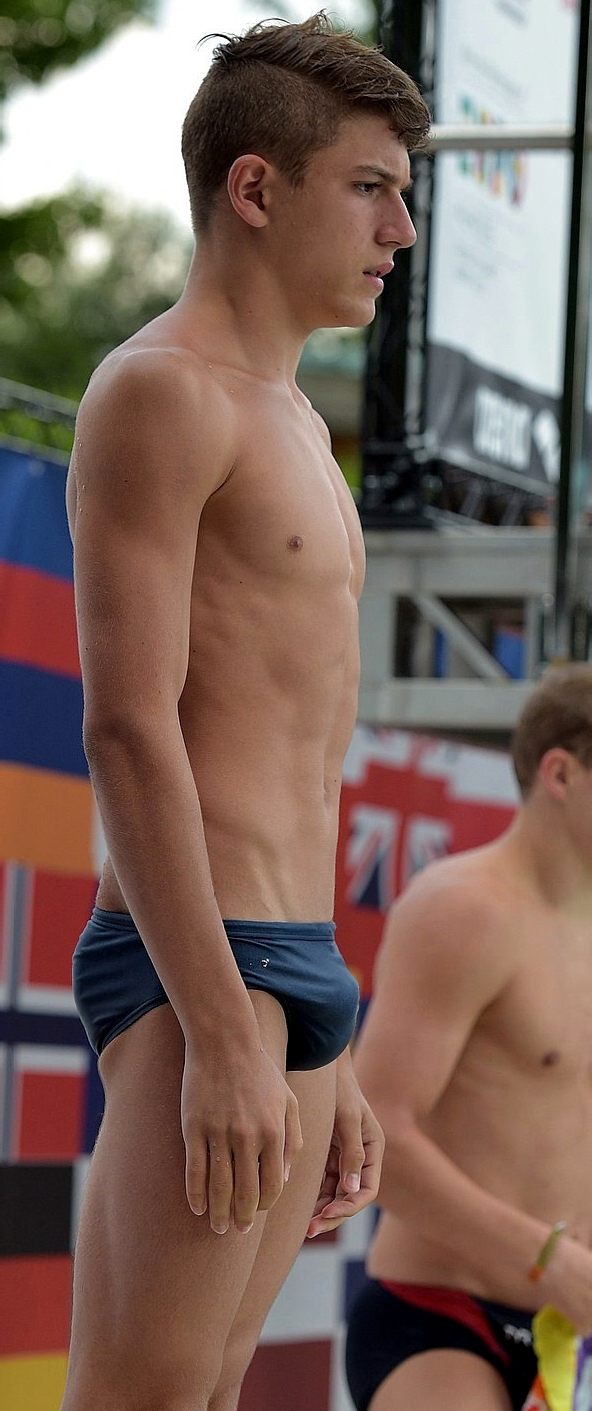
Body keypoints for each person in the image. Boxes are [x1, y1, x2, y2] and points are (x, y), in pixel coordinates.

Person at [59, 14, 431, 1411]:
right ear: (256, 188)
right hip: (200, 965)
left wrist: (334, 1049)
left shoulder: (297, 427)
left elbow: (295, 751)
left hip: (295, 964)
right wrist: (222, 1028)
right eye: (370, 186)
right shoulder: (161, 391)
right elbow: (127, 725)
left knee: (210, 1394)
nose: (400, 229)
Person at [346, 663, 592, 1411]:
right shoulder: (465, 909)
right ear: (561, 773)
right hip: (442, 1314)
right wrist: (545, 1257)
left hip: (565, 1332)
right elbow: (372, 1135)